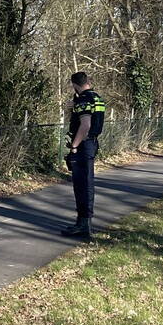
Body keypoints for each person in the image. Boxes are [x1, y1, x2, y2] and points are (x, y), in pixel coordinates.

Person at [61, 72, 106, 238]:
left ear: (74, 85)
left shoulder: (83, 99)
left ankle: (84, 225)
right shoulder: (96, 98)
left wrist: (74, 146)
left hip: (83, 144)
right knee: (85, 183)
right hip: (92, 142)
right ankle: (83, 222)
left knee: (82, 185)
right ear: (88, 81)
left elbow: (85, 125)